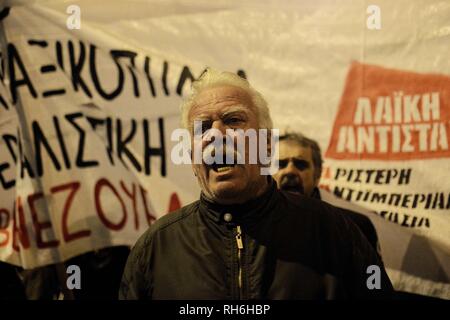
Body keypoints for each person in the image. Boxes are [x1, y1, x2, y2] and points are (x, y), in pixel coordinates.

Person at [119, 68, 393, 299]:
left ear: (266, 145)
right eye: (202, 127)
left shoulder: (333, 232)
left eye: (233, 120)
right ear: (192, 157)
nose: (216, 134)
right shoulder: (155, 249)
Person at [272, 132, 380, 253]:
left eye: (300, 164)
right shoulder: (250, 226)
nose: (290, 170)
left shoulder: (355, 226)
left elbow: (374, 272)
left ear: (317, 174)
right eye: (280, 164)